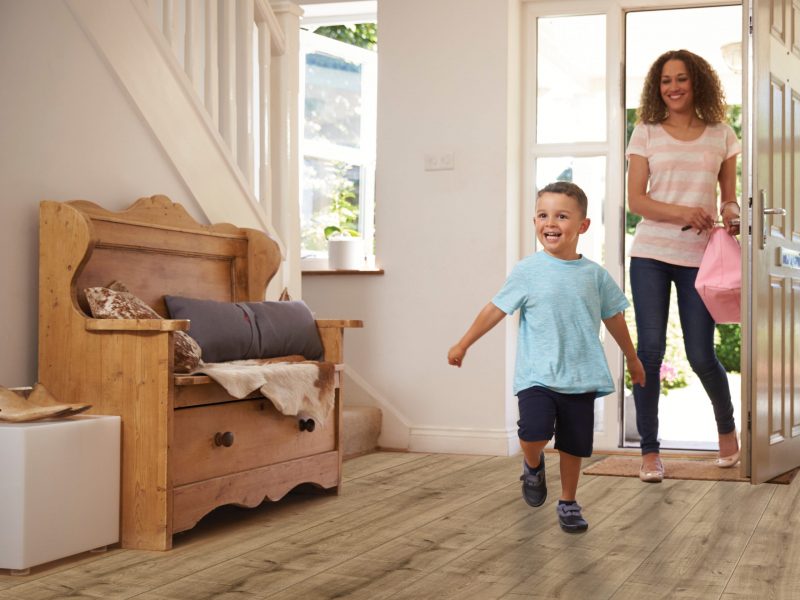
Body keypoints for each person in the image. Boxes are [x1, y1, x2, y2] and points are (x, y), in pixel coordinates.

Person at [448, 181, 645, 533]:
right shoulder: (528, 271)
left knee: (574, 445)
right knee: (534, 431)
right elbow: (495, 309)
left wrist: (632, 358)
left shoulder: (595, 275)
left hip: (580, 376)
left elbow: (614, 316)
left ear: (582, 226)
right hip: (537, 374)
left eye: (561, 216)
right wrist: (464, 343)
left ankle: (568, 501)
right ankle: (532, 464)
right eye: (542, 215)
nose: (550, 223)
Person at [626, 49, 741, 483]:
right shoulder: (646, 132)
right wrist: (684, 213)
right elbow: (636, 201)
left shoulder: (722, 134)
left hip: (700, 260)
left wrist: (729, 212)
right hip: (651, 255)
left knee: (700, 355)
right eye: (665, 81)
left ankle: (727, 431)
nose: (673, 87)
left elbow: (727, 194)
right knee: (650, 352)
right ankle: (650, 453)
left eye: (681, 79)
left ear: (698, 84)